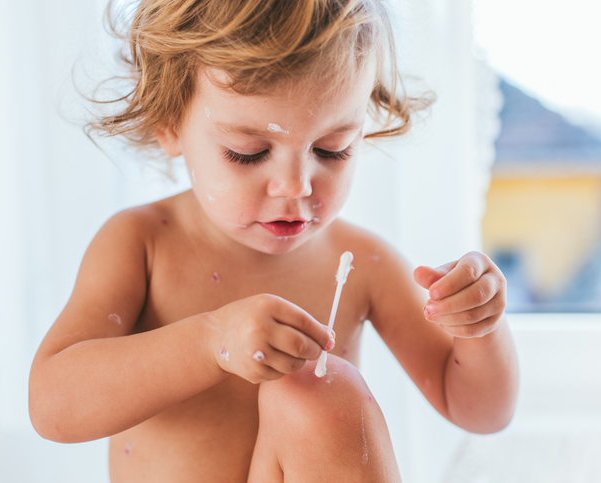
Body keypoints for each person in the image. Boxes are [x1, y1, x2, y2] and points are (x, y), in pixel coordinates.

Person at [28, 0, 519, 481]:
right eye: (249, 153)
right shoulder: (142, 244)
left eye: (332, 149)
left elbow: (479, 410)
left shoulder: (361, 262)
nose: (296, 186)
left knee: (317, 393)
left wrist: (480, 328)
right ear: (169, 124)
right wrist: (210, 341)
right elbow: (53, 406)